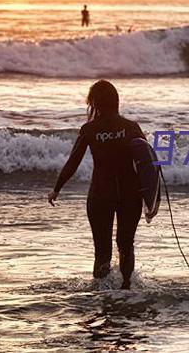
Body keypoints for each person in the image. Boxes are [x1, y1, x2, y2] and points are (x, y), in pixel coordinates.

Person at [48, 80, 145, 289]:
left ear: (94, 103)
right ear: (115, 100)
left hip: (101, 194)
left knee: (102, 251)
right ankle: (127, 289)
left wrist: (57, 188)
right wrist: (152, 200)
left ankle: (102, 294)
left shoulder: (90, 129)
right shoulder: (131, 127)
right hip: (131, 194)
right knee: (126, 245)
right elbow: (147, 164)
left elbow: (73, 161)